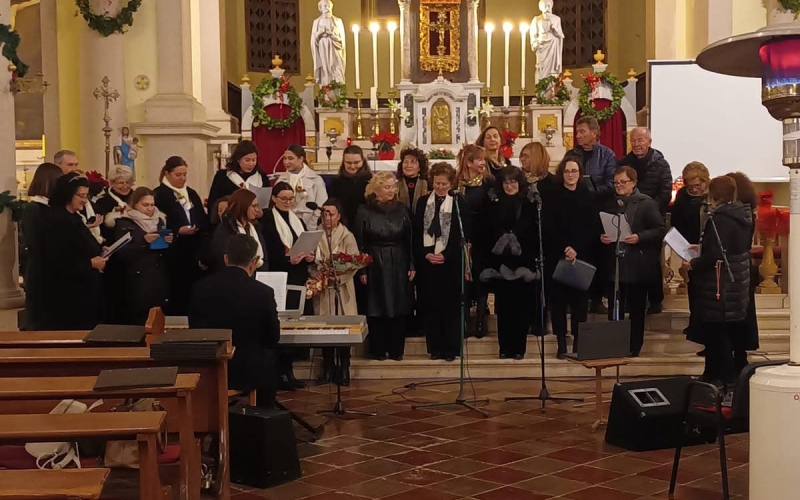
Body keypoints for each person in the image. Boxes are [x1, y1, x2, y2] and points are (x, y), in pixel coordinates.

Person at [189, 234, 281, 408]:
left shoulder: (200, 288)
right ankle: (264, 414)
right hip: (248, 370)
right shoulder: (263, 292)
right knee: (268, 357)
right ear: (254, 262)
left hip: (211, 368)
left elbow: (195, 329)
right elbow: (272, 337)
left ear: (226, 259)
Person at [683, 176, 752, 385]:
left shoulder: (719, 219)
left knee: (717, 335)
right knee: (724, 333)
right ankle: (714, 374)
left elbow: (716, 255)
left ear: (715, 195)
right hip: (736, 283)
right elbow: (730, 248)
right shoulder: (742, 215)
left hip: (719, 283)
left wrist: (693, 264)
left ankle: (722, 379)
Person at [599, 166, 665, 357]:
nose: (618, 186)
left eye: (623, 182)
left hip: (637, 266)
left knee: (636, 310)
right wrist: (603, 237)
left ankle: (633, 347)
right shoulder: (611, 203)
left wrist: (639, 237)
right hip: (616, 264)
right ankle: (615, 344)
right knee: (615, 308)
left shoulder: (646, 203)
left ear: (634, 183)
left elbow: (659, 229)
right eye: (616, 182)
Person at [354, 172, 414, 361]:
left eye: (393, 186)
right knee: (376, 305)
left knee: (399, 305)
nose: (391, 190)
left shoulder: (402, 209)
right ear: (376, 189)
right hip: (375, 262)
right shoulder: (364, 210)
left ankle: (396, 349)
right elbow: (359, 242)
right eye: (387, 187)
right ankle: (378, 349)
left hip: (399, 259)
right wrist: (362, 269)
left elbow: (410, 239)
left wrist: (412, 263)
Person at [35, 173, 106, 330]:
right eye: (80, 195)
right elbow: (56, 261)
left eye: (86, 195)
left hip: (82, 293)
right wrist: (91, 263)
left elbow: (80, 245)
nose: (85, 200)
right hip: (67, 296)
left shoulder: (73, 217)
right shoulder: (56, 221)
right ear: (67, 194)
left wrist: (100, 249)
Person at [480, 167, 538, 360]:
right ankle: (504, 348)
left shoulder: (529, 203)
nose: (509, 185)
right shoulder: (492, 203)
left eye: (513, 182)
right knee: (503, 309)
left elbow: (533, 231)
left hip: (523, 262)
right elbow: (487, 230)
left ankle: (519, 348)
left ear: (519, 183)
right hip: (500, 262)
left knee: (520, 309)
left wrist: (516, 239)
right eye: (505, 182)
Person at [543, 156, 599, 358]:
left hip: (582, 256)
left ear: (580, 173)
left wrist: (577, 248)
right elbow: (549, 227)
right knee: (558, 304)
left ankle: (578, 344)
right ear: (562, 174)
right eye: (567, 171)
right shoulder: (552, 196)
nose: (571, 175)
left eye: (574, 171)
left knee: (580, 305)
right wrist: (565, 247)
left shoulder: (589, 196)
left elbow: (592, 228)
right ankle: (561, 345)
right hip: (558, 256)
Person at [261, 181, 314, 390]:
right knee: (279, 325)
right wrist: (287, 260)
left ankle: (289, 371)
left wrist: (308, 255)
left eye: (291, 199)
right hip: (279, 275)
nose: (288, 202)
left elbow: (300, 243)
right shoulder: (267, 219)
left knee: (296, 324)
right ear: (273, 198)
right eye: (283, 198)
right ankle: (278, 373)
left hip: (298, 275)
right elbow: (269, 251)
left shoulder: (297, 219)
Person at [413, 163, 468, 362]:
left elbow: (461, 234)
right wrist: (426, 254)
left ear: (451, 183)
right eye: (437, 183)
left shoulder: (458, 202)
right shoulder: (422, 202)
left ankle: (451, 348)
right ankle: (435, 348)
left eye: (444, 184)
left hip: (450, 263)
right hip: (428, 264)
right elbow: (417, 231)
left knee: (450, 308)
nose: (441, 187)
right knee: (431, 306)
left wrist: (447, 255)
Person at [618, 127, 673, 314]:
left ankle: (655, 299)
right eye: (633, 140)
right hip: (628, 218)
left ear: (649, 141)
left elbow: (665, 192)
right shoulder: (625, 163)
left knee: (652, 263)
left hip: (651, 218)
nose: (637, 144)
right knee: (627, 261)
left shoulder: (661, 164)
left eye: (641, 140)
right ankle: (627, 300)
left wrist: (646, 209)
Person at [109, 187, 173, 325]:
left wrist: (169, 242)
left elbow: (166, 253)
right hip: (136, 277)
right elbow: (121, 252)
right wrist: (144, 241)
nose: (149, 209)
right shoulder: (125, 222)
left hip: (159, 275)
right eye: (145, 205)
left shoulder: (160, 220)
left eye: (152, 204)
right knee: (139, 320)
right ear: (135, 204)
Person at [154, 156, 209, 315]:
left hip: (193, 250)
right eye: (178, 175)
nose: (182, 178)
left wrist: (197, 227)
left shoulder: (191, 193)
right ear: (167, 174)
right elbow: (158, 223)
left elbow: (201, 217)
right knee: (177, 292)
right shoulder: (160, 194)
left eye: (185, 174)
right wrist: (177, 230)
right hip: (173, 253)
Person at [313, 198, 359, 385]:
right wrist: (317, 273)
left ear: (339, 216)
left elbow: (355, 262)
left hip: (342, 288)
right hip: (323, 289)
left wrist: (339, 276)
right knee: (325, 329)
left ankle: (344, 368)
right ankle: (328, 369)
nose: (327, 217)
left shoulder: (347, 236)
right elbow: (311, 261)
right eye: (324, 213)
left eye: (331, 213)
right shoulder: (315, 235)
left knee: (343, 329)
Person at [455, 145, 493, 338]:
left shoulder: (488, 182)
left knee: (480, 276)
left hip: (482, 235)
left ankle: (480, 318)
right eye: (478, 159)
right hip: (462, 235)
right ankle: (464, 319)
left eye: (483, 159)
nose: (482, 163)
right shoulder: (457, 183)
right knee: (464, 275)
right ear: (469, 162)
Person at [671, 162, 710, 346]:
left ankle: (704, 326)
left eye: (698, 185)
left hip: (707, 248)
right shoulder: (682, 196)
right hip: (688, 246)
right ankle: (695, 323)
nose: (694, 189)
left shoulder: (712, 196)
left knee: (706, 290)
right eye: (690, 186)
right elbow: (677, 220)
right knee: (693, 288)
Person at [20, 162, 62, 330]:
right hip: (40, 271)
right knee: (39, 320)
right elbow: (35, 242)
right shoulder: (34, 209)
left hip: (52, 271)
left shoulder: (51, 208)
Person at [726, 171, 759, 375]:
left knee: (736, 315)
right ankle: (740, 355)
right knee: (744, 314)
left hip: (734, 269)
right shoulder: (748, 213)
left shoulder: (733, 216)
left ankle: (736, 358)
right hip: (744, 268)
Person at [208, 189, 268, 273]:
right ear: (243, 206)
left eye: (257, 206)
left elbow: (264, 256)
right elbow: (222, 259)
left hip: (256, 276)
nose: (257, 210)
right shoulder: (226, 228)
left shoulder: (254, 227)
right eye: (254, 206)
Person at [274, 145, 327, 230]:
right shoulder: (281, 180)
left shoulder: (316, 179)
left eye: (290, 158)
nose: (286, 162)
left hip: (309, 224)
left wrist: (311, 226)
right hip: (286, 225)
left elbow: (321, 206)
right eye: (285, 158)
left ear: (301, 159)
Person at [207, 140, 270, 210]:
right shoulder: (222, 176)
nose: (251, 163)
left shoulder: (261, 177)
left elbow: (266, 205)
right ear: (238, 159)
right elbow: (213, 203)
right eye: (247, 160)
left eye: (254, 160)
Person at [327, 145, 372, 226]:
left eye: (356, 163)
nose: (352, 166)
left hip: (366, 225)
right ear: (343, 162)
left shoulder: (371, 181)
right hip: (342, 224)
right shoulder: (336, 182)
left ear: (363, 161)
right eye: (348, 163)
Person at [571, 116, 617, 193]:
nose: (577, 136)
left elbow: (612, 184)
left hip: (599, 201)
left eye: (582, 131)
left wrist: (591, 192)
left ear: (594, 133)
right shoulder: (571, 154)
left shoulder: (607, 155)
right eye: (577, 132)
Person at [310, 0, 346, 87]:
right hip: (322, 49)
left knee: (336, 70)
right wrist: (319, 33)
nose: (328, 8)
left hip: (334, 50)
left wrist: (331, 34)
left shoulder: (337, 21)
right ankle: (326, 94)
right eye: (325, 6)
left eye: (329, 6)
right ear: (320, 8)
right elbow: (313, 40)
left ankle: (338, 95)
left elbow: (341, 41)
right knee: (325, 71)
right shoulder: (316, 22)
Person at [96, 165, 135, 241]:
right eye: (121, 183)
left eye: (128, 182)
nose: (125, 186)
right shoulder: (102, 201)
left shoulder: (137, 197)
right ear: (112, 183)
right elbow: (101, 228)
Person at [529, 0, 564, 81]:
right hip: (542, 46)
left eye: (549, 5)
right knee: (540, 67)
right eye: (545, 5)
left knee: (552, 69)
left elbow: (561, 35)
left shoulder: (557, 19)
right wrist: (535, 43)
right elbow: (533, 34)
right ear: (540, 7)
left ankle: (551, 89)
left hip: (553, 45)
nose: (547, 7)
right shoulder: (536, 19)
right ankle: (540, 89)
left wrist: (555, 29)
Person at [395, 147, 429, 214]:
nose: (408, 165)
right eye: (405, 162)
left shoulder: (428, 184)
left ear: (420, 167)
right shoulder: (396, 185)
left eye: (413, 162)